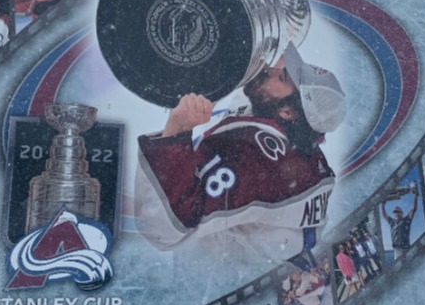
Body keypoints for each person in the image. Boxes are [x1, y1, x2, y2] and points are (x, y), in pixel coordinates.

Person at [135, 42, 347, 270]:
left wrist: (176, 133)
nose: (272, 69)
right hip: (273, 269)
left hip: (220, 282)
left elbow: (163, 226)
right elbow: (248, 95)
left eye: (282, 77)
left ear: (287, 112)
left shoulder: (254, 158)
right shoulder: (298, 143)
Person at [381, 188, 419, 260]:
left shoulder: (407, 220)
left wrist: (415, 196)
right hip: (397, 250)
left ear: (401, 213)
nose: (397, 213)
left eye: (398, 212)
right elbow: (384, 214)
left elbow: (413, 209)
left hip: (406, 248)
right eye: (395, 212)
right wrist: (383, 204)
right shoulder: (392, 222)